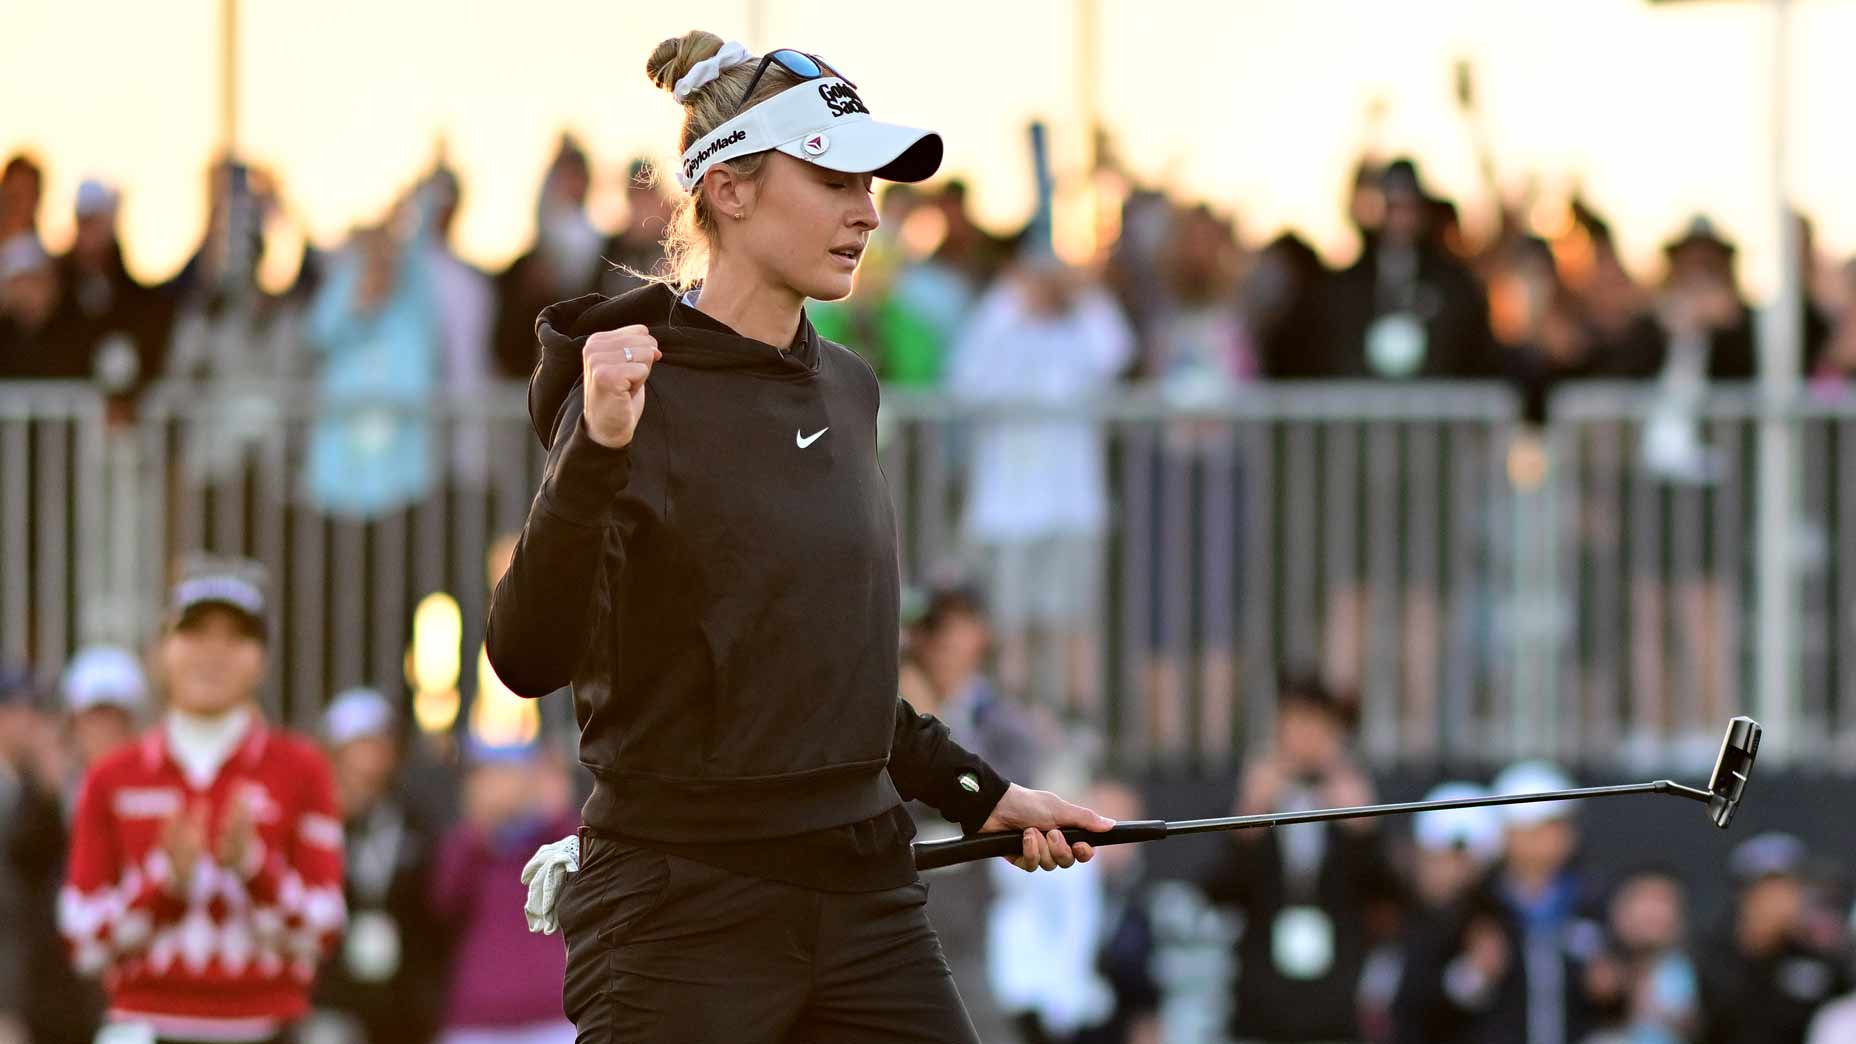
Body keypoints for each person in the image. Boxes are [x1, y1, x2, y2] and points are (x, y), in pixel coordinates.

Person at [486, 32, 1114, 1043]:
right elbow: (525, 654)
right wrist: (596, 449)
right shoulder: (629, 386)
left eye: (868, 185)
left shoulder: (849, 386)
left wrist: (981, 794)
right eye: (830, 179)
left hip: (862, 895)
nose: (866, 211)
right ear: (728, 191)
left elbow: (834, 679)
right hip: (676, 913)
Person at [59, 555, 347, 1044]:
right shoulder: (112, 776)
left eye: (236, 637)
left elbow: (324, 931)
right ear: (163, 649)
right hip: (142, 1027)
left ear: (263, 658)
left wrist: (253, 869)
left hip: (268, 1029)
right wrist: (166, 884)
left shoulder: (303, 770)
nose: (214, 653)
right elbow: (81, 940)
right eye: (195, 633)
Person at [1201, 670, 1401, 1043]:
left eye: (1316, 725)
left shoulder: (1358, 791)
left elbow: (1391, 895)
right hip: (1261, 1003)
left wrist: (1363, 827)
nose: (1305, 737)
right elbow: (1217, 891)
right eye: (1294, 723)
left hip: (1337, 1002)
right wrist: (1248, 820)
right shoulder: (1250, 789)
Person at [1391, 761, 1602, 1044]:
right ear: (1509, 834)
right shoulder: (1470, 909)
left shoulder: (1587, 903)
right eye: (1540, 827)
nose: (1555, 838)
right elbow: (1416, 1007)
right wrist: (1473, 975)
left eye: (1560, 825)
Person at [306, 688, 447, 1044]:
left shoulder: (413, 817)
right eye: (356, 746)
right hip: (332, 995)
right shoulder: (314, 821)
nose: (367, 759)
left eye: (377, 745)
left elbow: (435, 902)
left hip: (402, 998)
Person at [430, 739, 579, 1044]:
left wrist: (553, 810)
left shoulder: (557, 835)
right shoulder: (467, 845)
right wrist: (480, 826)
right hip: (478, 1018)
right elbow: (443, 902)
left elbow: (586, 878)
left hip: (553, 1015)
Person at [1695, 833, 1849, 1044]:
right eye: (1769, 890)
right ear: (1745, 896)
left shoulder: (1816, 961)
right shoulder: (1711, 958)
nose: (1780, 901)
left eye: (1789, 889)